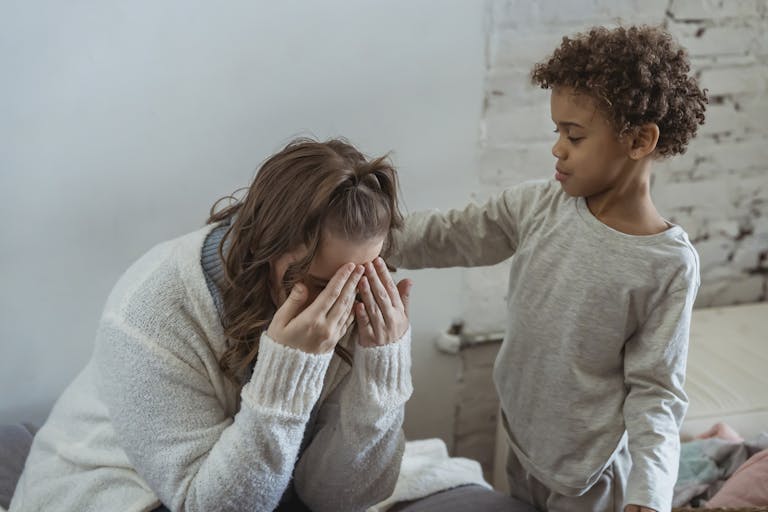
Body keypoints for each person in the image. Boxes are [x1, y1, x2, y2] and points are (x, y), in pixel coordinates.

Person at [387, 25, 707, 512]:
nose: (557, 148)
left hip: (589, 475)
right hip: (521, 441)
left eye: (574, 135)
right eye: (557, 131)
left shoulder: (666, 264)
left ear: (639, 140)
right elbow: (452, 233)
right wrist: (370, 241)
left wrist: (649, 493)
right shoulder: (538, 206)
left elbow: (656, 390)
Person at [10, 138, 414, 512]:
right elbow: (212, 505)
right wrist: (287, 375)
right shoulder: (149, 309)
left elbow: (336, 499)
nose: (340, 302)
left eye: (359, 280)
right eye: (321, 283)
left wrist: (380, 377)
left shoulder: (356, 307)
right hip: (114, 483)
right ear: (264, 247)